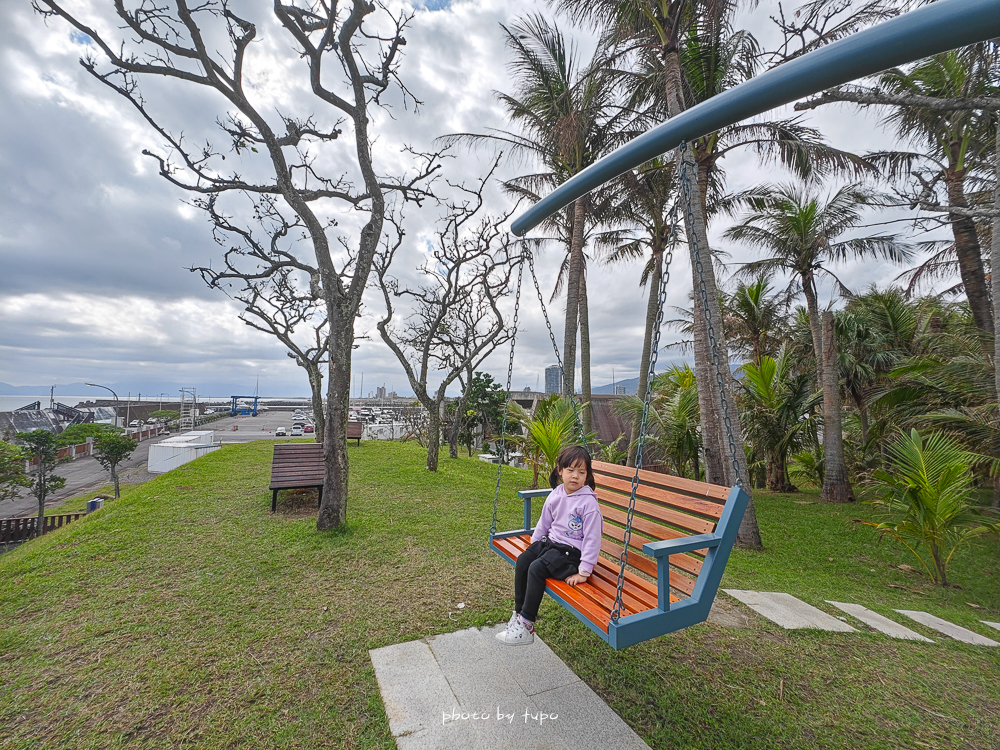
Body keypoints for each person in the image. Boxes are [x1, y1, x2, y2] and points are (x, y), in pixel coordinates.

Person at [496, 445, 603, 646]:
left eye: (582, 472)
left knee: (536, 569)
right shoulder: (556, 494)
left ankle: (527, 624)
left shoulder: (589, 505)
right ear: (560, 470)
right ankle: (519, 615)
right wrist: (534, 546)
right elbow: (544, 522)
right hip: (551, 545)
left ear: (587, 476)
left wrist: (584, 572)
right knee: (524, 561)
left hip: (571, 554)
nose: (575, 476)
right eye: (570, 470)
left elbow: (592, 539)